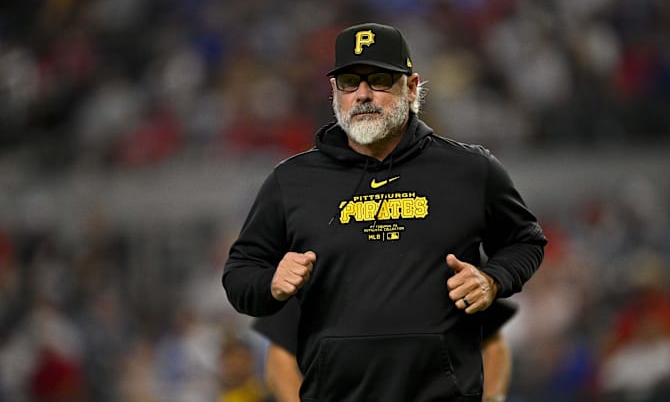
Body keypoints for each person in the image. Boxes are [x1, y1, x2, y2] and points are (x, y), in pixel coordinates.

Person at [223, 22, 547, 401]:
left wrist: (493, 279)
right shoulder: (291, 181)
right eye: (349, 82)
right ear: (334, 92)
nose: (362, 95)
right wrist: (271, 284)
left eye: (378, 80)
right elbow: (240, 273)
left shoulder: (470, 170)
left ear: (411, 88)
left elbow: (526, 241)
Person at [252, 298, 518, 402]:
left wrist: (492, 398)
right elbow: (280, 356)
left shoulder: (446, 244)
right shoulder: (319, 243)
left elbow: (492, 342)